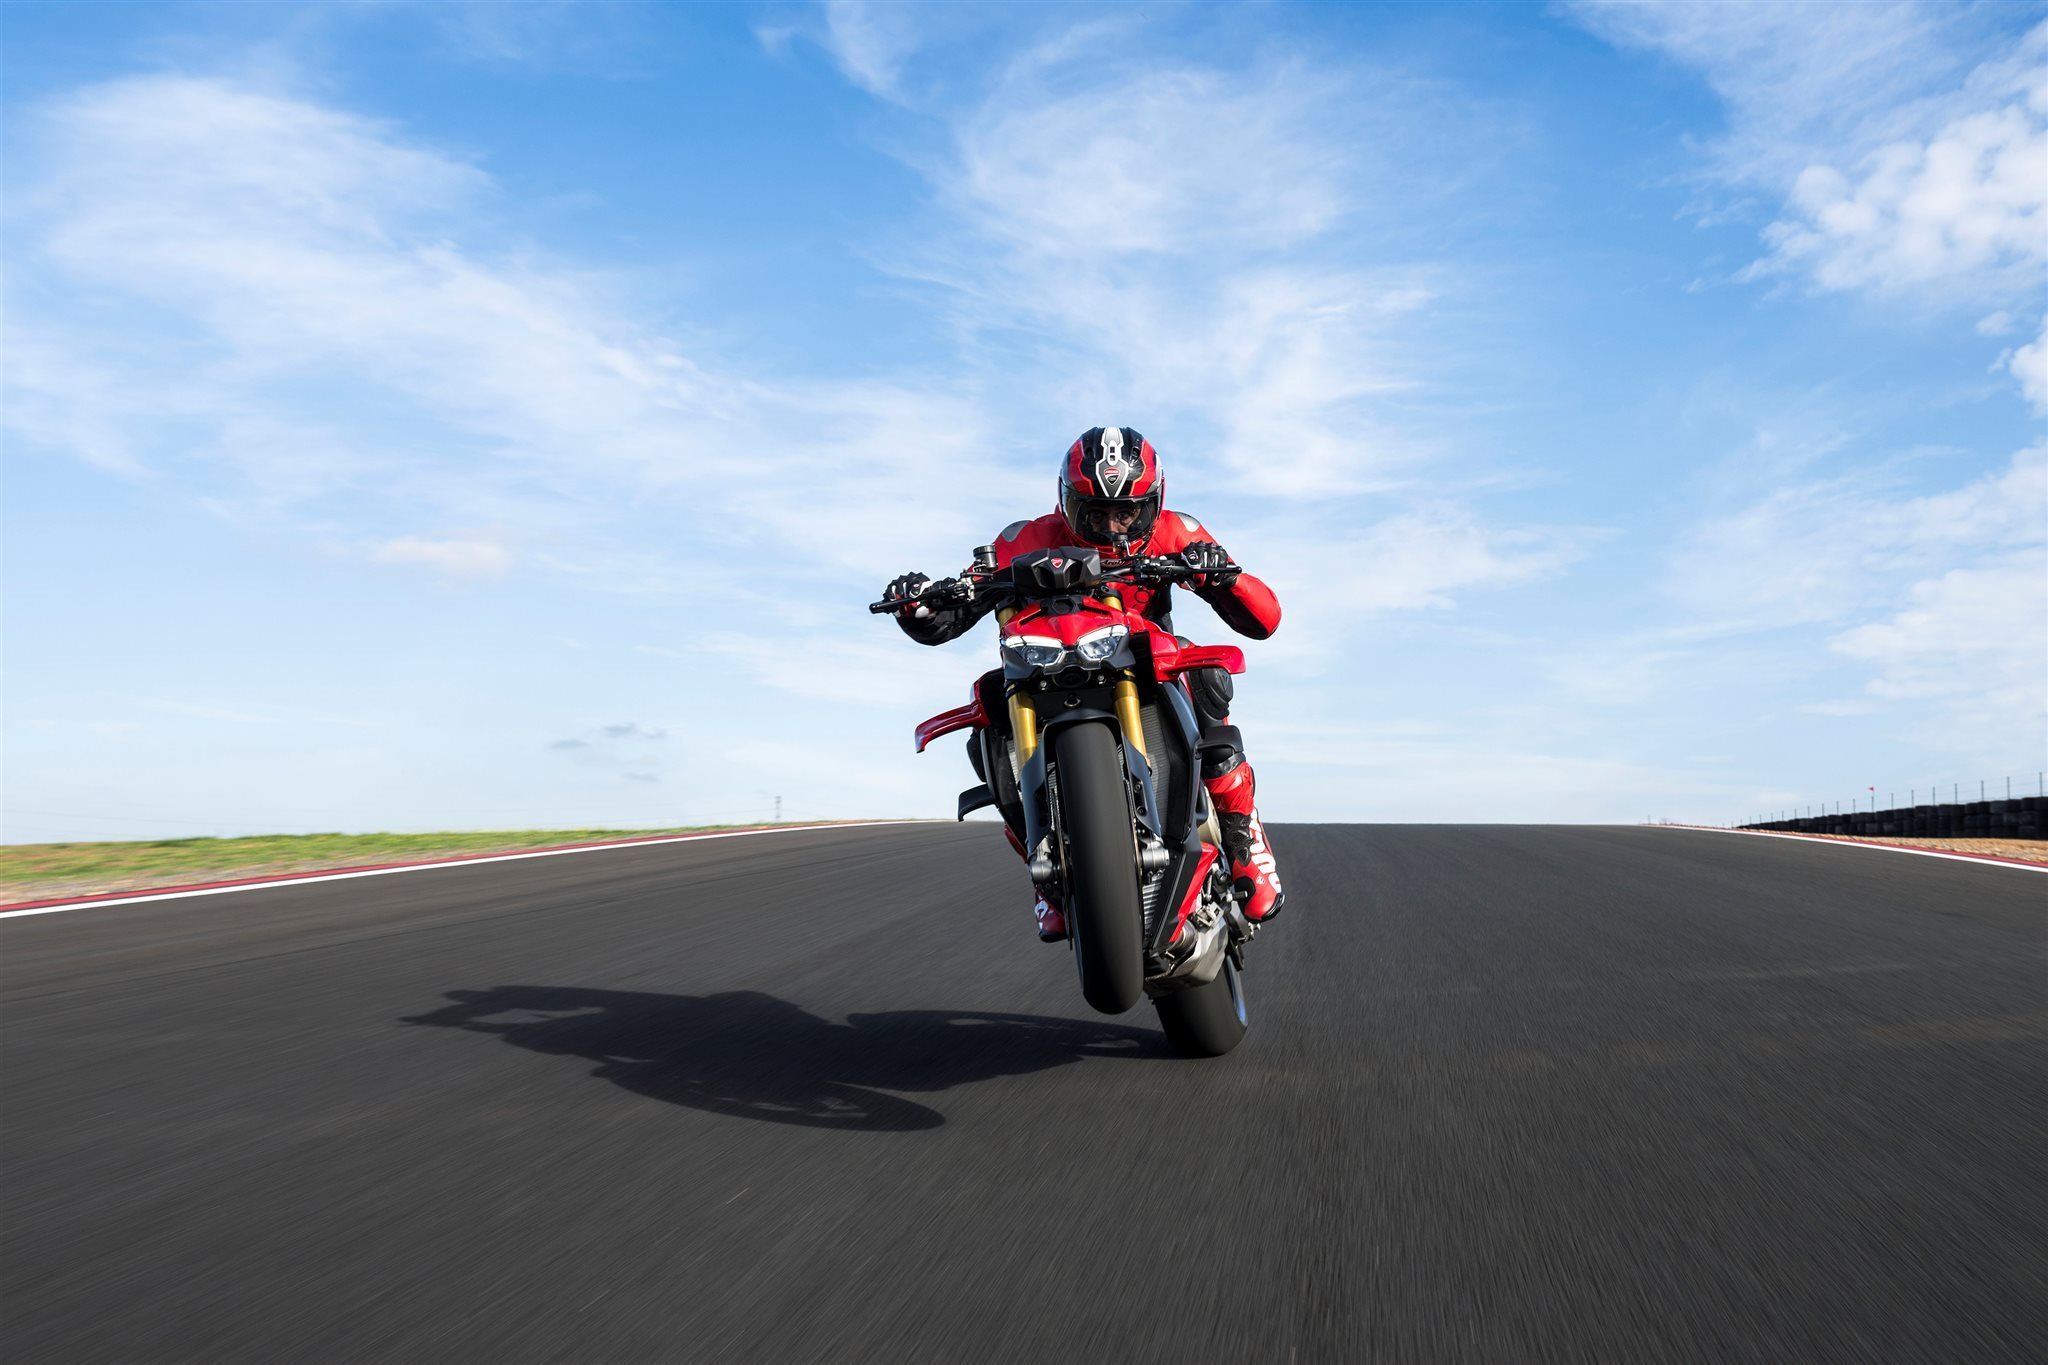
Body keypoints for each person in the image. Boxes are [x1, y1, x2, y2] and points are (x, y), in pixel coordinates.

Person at [880, 425, 1285, 943]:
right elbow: (948, 617)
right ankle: (1044, 872)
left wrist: (1224, 576)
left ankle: (1244, 837)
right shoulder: (1023, 539)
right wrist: (918, 606)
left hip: (1143, 660)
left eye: (1126, 514)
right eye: (1094, 513)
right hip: (1044, 667)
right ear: (1067, 503)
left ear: (1152, 504)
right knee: (987, 706)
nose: (1111, 527)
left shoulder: (1175, 531)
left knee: (1204, 669)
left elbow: (1264, 619)